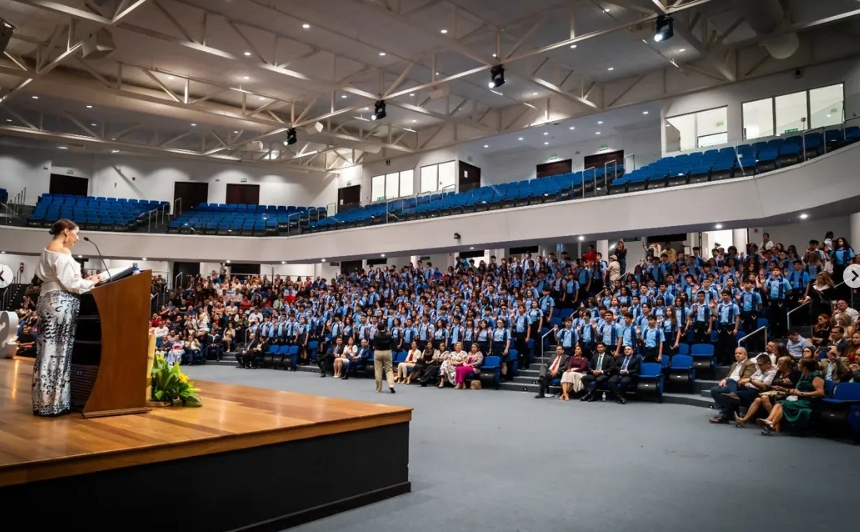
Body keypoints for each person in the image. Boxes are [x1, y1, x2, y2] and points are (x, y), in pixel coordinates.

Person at [33, 219, 100, 416]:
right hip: (61, 304)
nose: (77, 238)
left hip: (47, 301)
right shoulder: (63, 252)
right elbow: (72, 285)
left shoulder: (47, 250)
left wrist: (82, 281)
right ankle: (54, 404)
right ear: (65, 231)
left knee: (46, 351)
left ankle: (42, 402)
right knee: (58, 352)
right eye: (76, 233)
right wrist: (94, 281)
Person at [757, 358, 826, 435]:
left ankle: (770, 423)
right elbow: (796, 390)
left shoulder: (816, 376)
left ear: (805, 367)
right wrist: (783, 389)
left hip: (809, 402)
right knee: (779, 403)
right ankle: (769, 421)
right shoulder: (803, 375)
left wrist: (801, 393)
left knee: (783, 404)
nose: (797, 365)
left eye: (799, 364)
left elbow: (821, 392)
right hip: (800, 399)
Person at [735, 356, 800, 427]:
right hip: (775, 392)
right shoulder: (779, 372)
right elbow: (773, 383)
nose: (777, 366)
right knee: (757, 399)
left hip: (787, 394)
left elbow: (796, 387)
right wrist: (774, 387)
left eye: (779, 364)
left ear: (785, 365)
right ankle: (744, 420)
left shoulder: (795, 373)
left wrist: (783, 389)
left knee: (764, 397)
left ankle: (771, 420)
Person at [708, 347, 756, 424]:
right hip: (731, 385)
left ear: (745, 355)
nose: (737, 355)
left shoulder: (750, 364)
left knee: (731, 382)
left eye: (740, 353)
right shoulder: (734, 364)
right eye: (736, 353)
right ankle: (726, 410)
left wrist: (730, 381)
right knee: (714, 390)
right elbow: (729, 375)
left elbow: (746, 378)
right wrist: (724, 379)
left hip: (740, 385)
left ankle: (732, 396)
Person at [372, 322, 395, 393]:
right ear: (384, 327)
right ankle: (391, 385)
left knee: (378, 370)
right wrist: (388, 332)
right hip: (387, 351)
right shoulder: (388, 335)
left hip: (378, 352)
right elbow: (392, 341)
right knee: (389, 369)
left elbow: (374, 342)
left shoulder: (376, 335)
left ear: (378, 328)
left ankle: (378, 388)